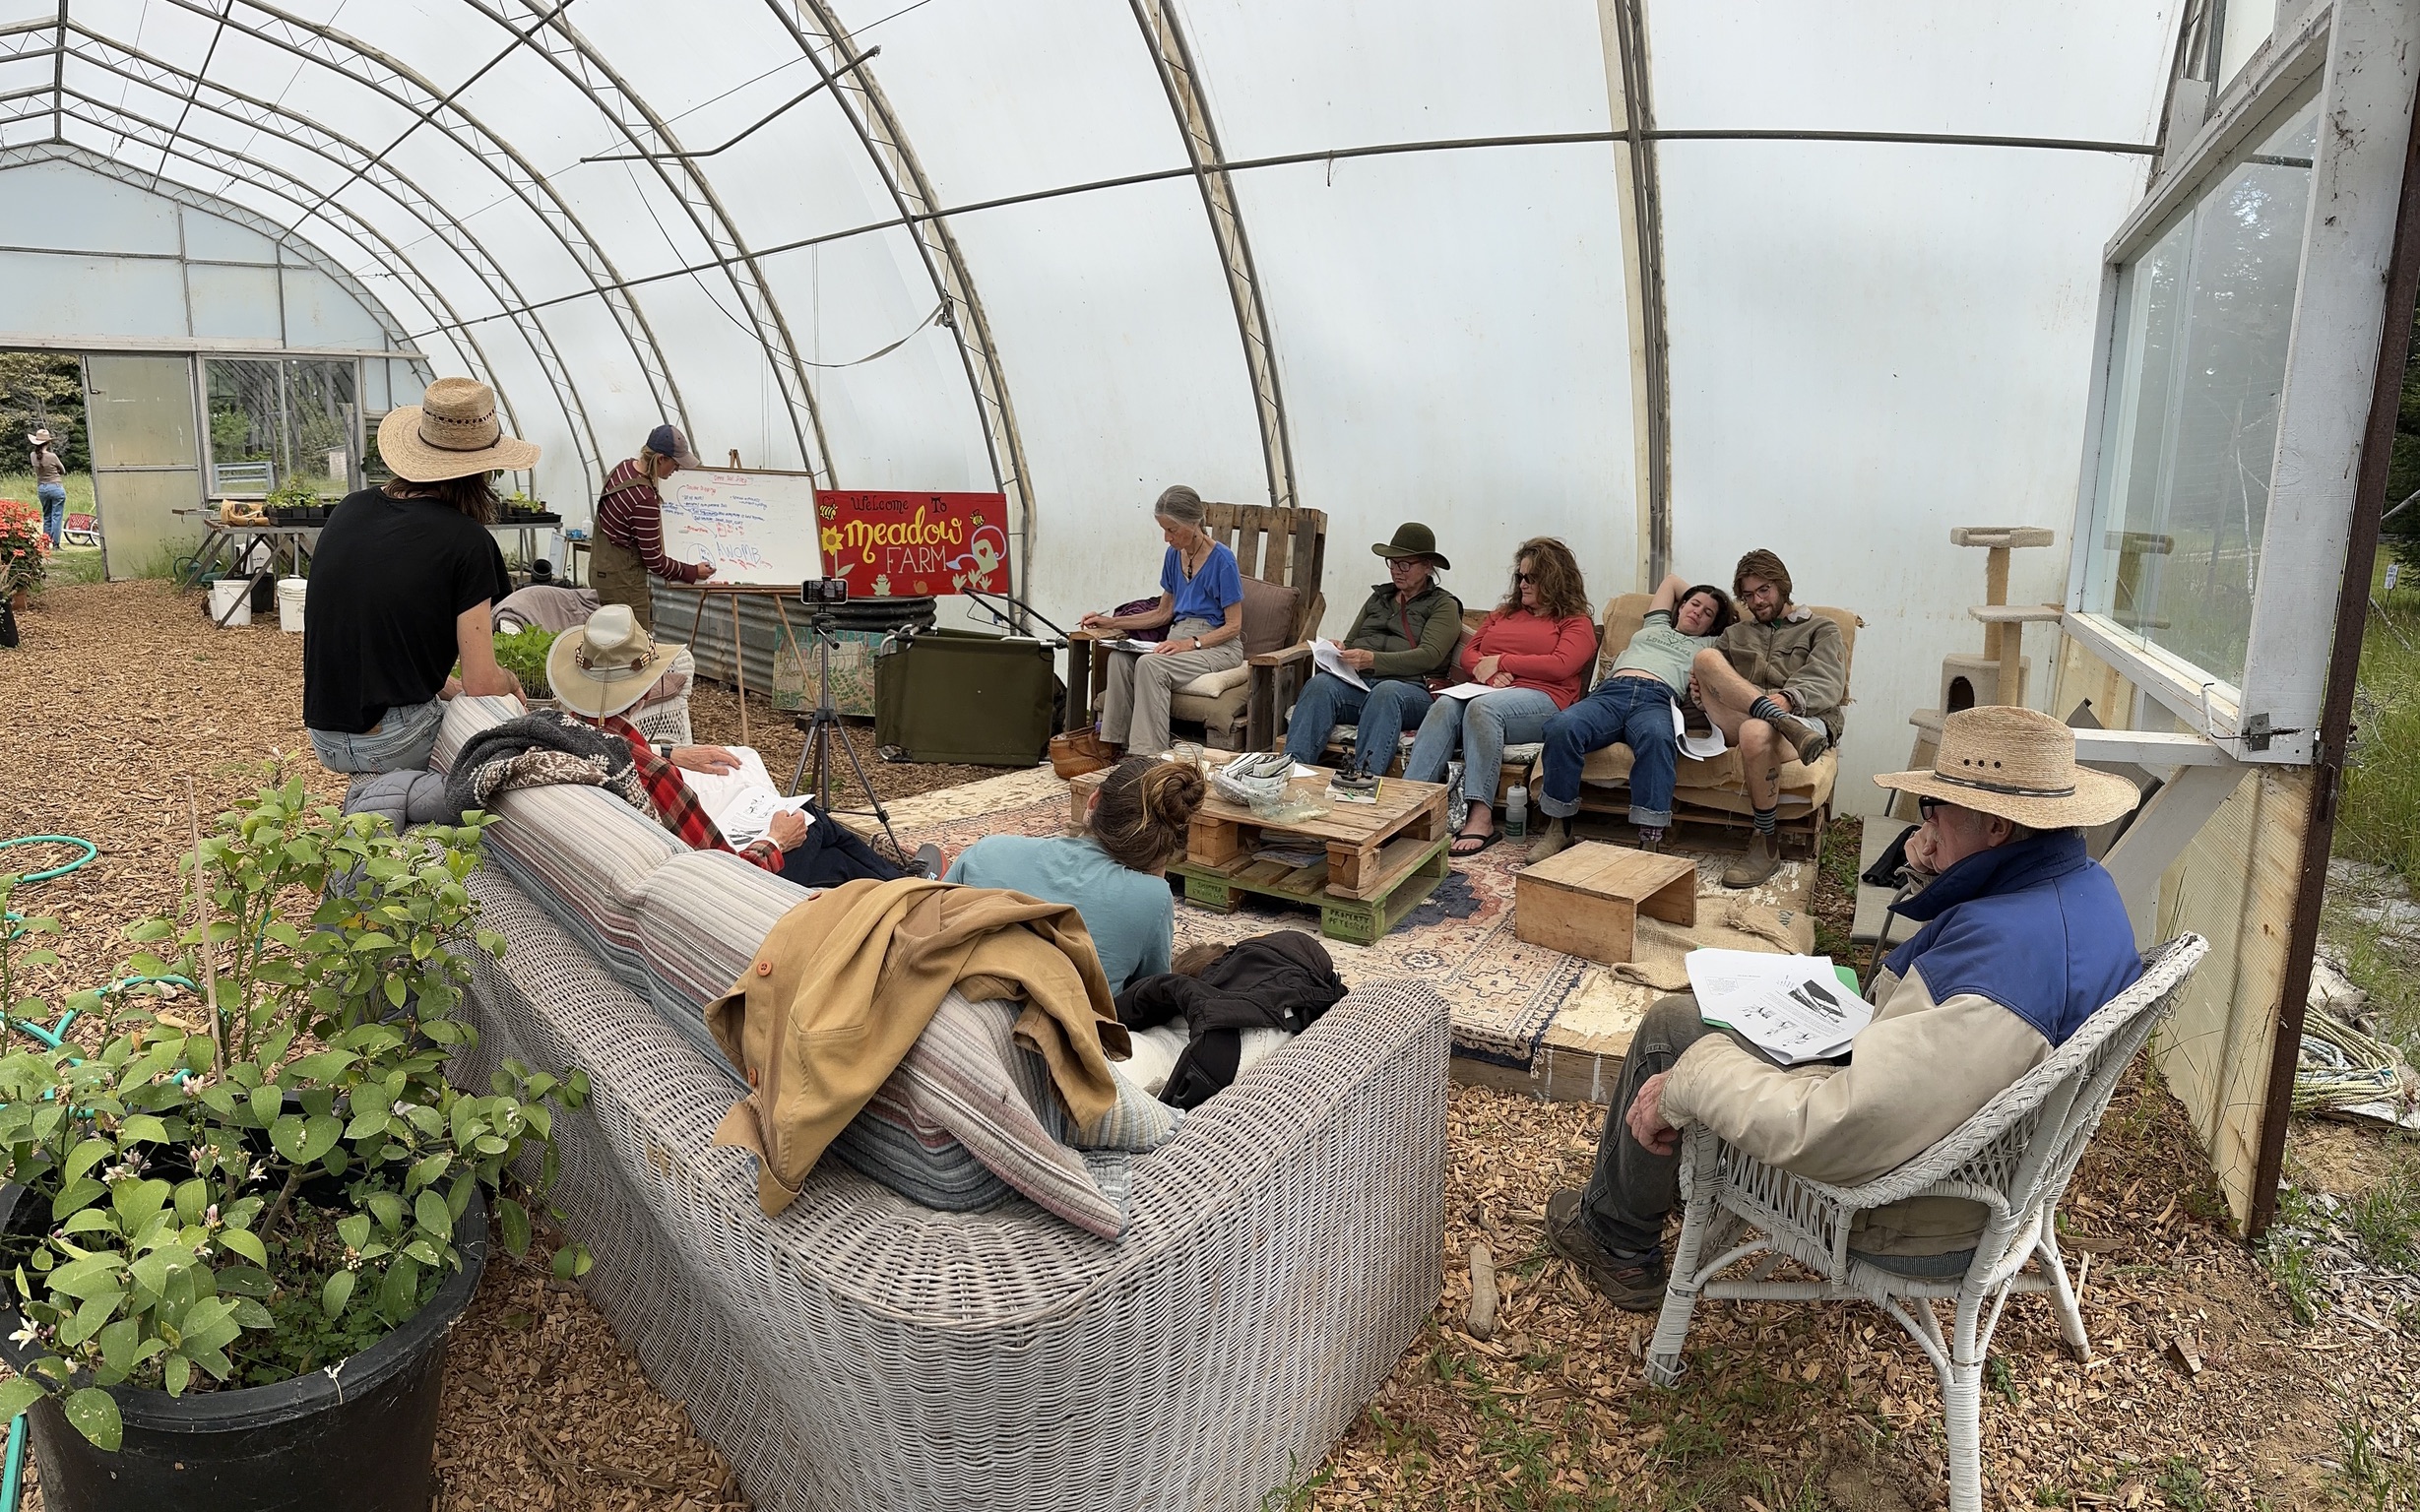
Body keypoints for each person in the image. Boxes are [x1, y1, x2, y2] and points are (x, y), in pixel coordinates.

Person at [1541, 706, 2143, 1309]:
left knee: (1671, 1034)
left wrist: (1688, 1083)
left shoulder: (2004, 964)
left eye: (1936, 806)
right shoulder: (2083, 889)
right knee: (1690, 1025)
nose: (1926, 821)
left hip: (1911, 1213)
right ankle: (1650, 1185)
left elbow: (1843, 1126)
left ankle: (1615, 1238)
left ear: (1996, 826)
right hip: (1982, 1169)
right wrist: (1940, 874)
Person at [548, 604, 908, 888]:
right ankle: (907, 888)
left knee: (827, 846)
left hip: (639, 869)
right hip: (711, 887)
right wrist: (776, 841)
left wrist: (671, 751)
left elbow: (618, 748)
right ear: (644, 693)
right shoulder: (653, 777)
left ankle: (901, 885)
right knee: (815, 824)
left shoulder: (555, 733)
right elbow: (729, 876)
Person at [303, 378, 532, 776]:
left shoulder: (350, 509)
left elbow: (384, 635)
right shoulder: (468, 541)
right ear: (485, 471)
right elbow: (481, 682)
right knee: (504, 731)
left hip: (323, 734)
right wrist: (509, 681)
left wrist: (446, 687)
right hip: (394, 740)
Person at [1402, 537, 1597, 855]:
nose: (1522, 584)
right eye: (1520, 576)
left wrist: (1503, 662)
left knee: (1482, 709)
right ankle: (1408, 806)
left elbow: (1562, 665)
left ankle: (1481, 817)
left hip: (1545, 700)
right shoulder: (1503, 613)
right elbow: (1471, 654)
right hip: (1489, 690)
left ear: (1555, 579)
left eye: (1531, 577)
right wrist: (1490, 673)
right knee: (1445, 705)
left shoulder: (1575, 621)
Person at [944, 756, 1207, 989]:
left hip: (949, 1005)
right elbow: (1148, 998)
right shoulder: (1153, 898)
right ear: (1172, 843)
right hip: (1065, 1026)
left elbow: (926, 919)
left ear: (1094, 800)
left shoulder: (988, 851)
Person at [1525, 573, 1735, 861]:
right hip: (1611, 694)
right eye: (1694, 604)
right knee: (1562, 726)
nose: (1698, 612)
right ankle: (1559, 828)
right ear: (1681, 606)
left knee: (1658, 739)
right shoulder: (1656, 623)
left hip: (1657, 699)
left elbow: (1739, 621)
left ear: (1713, 624)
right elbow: (1671, 581)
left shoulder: (1710, 644)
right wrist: (1707, 595)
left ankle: (1649, 841)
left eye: (1708, 613)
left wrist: (1720, 604)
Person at [1685, 548, 1849, 887]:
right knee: (1705, 659)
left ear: (1782, 585)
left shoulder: (1821, 628)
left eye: (1764, 590)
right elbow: (1717, 684)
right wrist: (1701, 692)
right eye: (1748, 595)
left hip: (1804, 722)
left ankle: (1766, 841)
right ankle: (1773, 717)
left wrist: (1788, 699)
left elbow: (1828, 683)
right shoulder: (1735, 635)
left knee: (1756, 731)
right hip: (1742, 719)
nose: (1757, 601)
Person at [1280, 523, 1461, 783]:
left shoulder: (1443, 605)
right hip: (1362, 686)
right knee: (1320, 685)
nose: (1396, 570)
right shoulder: (1379, 598)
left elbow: (1430, 655)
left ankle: (1363, 779)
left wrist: (1373, 660)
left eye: (1405, 564)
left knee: (1386, 693)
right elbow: (1352, 641)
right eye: (1392, 563)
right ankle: (1291, 771)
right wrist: (1340, 650)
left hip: (1412, 692)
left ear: (1427, 566)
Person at [1080, 486, 1244, 757]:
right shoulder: (1173, 555)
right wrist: (1110, 622)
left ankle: (1147, 756)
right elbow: (1162, 614)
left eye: (1172, 530)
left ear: (1193, 523)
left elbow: (1233, 626)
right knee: (1119, 660)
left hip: (1217, 645)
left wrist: (1189, 644)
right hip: (1177, 639)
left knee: (1150, 665)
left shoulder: (1223, 560)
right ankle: (1114, 746)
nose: (1167, 538)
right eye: (1163, 529)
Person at [593, 423, 712, 631]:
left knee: (609, 638)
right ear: (660, 459)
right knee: (636, 643)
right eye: (675, 464)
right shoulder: (644, 499)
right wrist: (693, 571)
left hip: (601, 572)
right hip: (623, 586)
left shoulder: (623, 468)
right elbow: (654, 561)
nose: (677, 470)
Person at [29, 429, 63, 552]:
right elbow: (62, 470)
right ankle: (56, 544)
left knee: (47, 515)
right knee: (56, 516)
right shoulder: (52, 456)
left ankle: (45, 543)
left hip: (42, 488)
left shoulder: (32, 455)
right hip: (55, 487)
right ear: (48, 442)